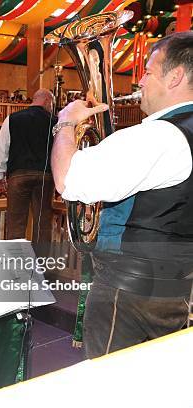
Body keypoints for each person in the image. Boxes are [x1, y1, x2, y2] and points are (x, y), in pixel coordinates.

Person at [51, 31, 193, 358]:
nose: (139, 81)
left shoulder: (159, 135)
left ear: (176, 77)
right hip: (176, 286)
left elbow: (68, 179)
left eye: (147, 71)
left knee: (107, 386)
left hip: (128, 292)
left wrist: (65, 124)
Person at [0, 89, 57, 250]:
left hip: (18, 176)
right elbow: (59, 152)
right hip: (45, 176)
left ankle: (15, 266)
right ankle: (41, 267)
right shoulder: (55, 122)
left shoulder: (12, 119)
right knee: (43, 223)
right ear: (48, 102)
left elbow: (1, 148)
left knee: (16, 222)